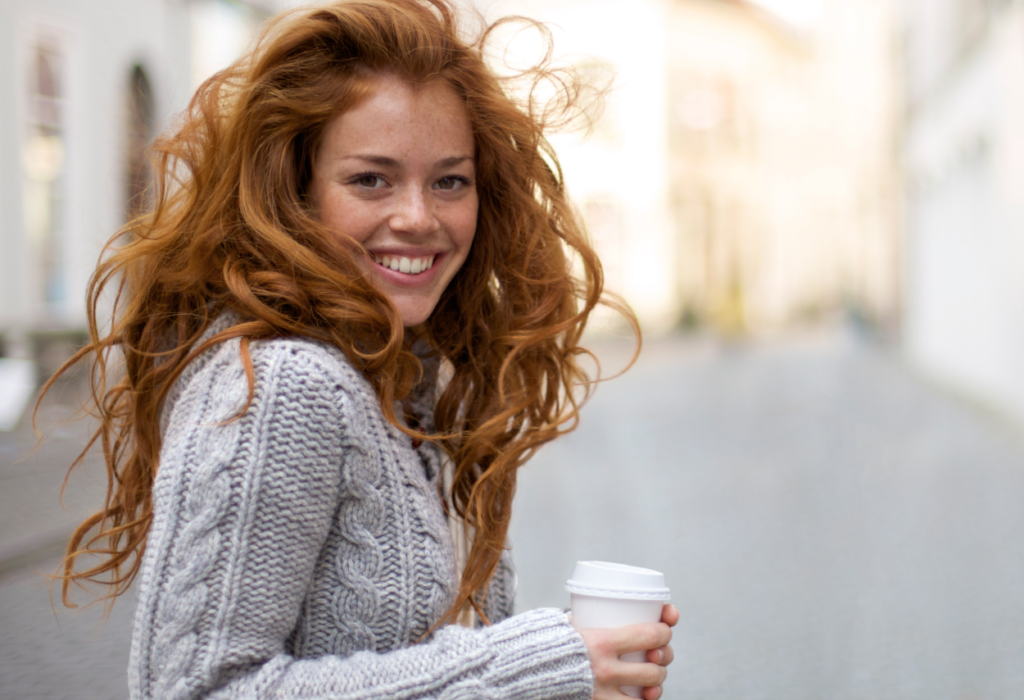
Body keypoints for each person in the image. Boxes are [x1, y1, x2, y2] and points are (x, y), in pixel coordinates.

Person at [46, 1, 678, 698]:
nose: (418, 217)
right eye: (370, 179)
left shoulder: (413, 385)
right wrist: (533, 666)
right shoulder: (286, 385)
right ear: (298, 193)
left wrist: (577, 667)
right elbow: (196, 690)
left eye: (449, 181)